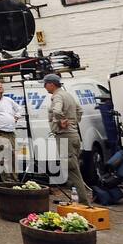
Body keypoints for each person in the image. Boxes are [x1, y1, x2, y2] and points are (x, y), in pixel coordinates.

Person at [45, 73, 92, 205]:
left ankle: (83, 202)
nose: (45, 87)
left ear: (51, 84)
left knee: (72, 170)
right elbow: (80, 110)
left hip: (65, 136)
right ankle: (78, 198)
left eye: (45, 84)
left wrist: (62, 122)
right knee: (74, 167)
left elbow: (57, 110)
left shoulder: (57, 96)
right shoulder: (68, 95)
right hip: (74, 135)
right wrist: (73, 122)